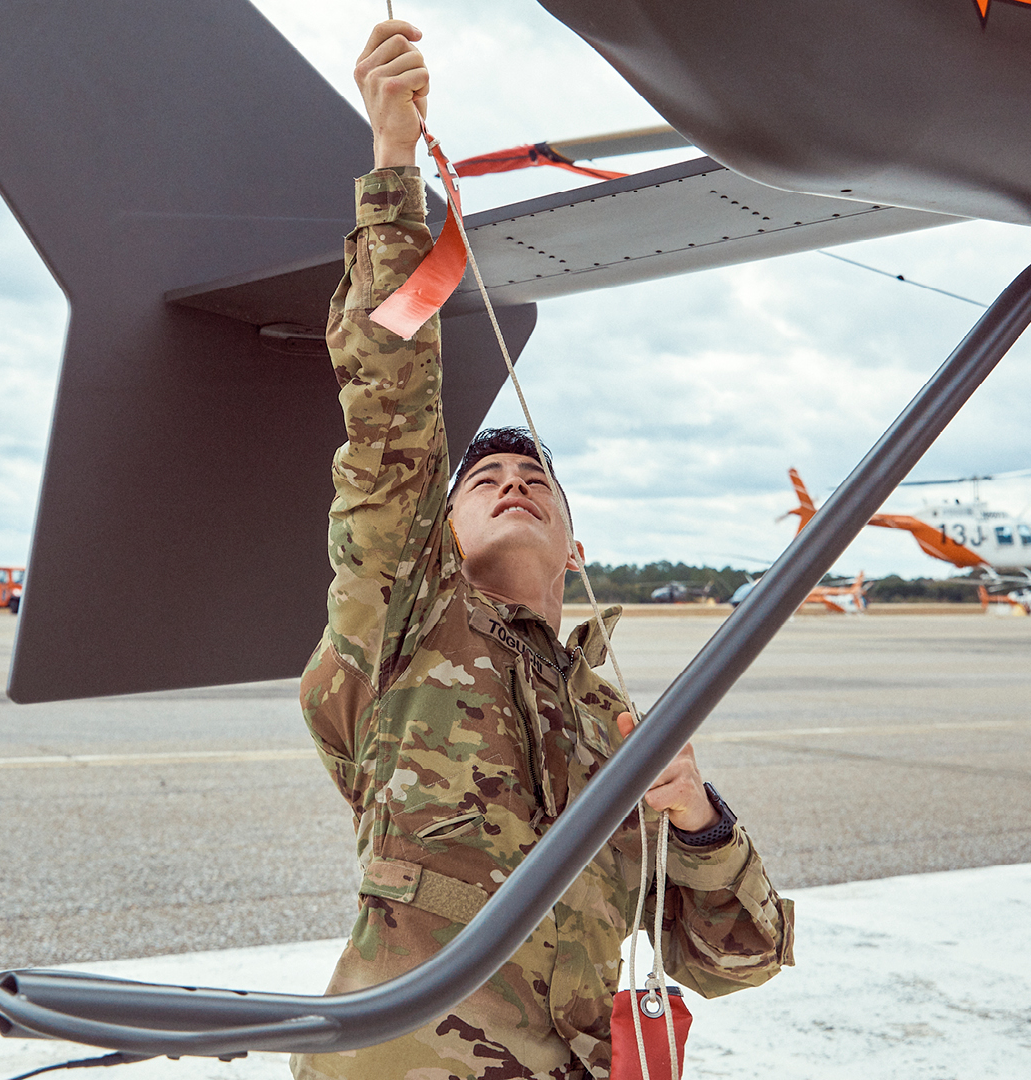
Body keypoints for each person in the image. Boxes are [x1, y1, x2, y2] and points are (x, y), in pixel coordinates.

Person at [290, 21, 795, 1080]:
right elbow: (388, 413)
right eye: (482, 481)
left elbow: (743, 959)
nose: (512, 479)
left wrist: (695, 817)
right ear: (440, 533)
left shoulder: (615, 726)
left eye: (536, 481)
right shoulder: (403, 628)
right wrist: (393, 168)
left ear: (574, 548)